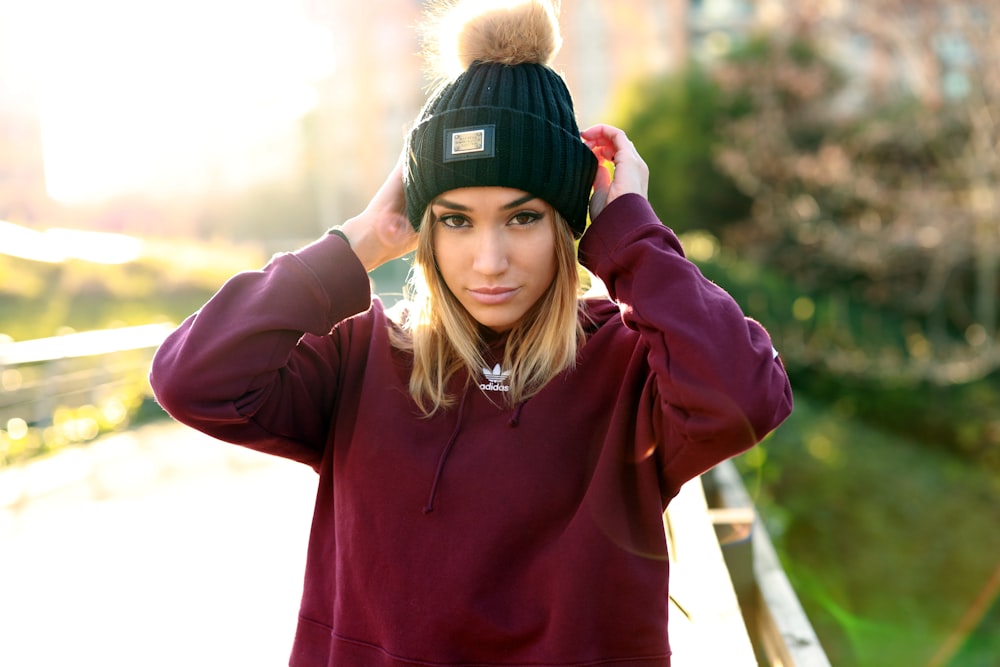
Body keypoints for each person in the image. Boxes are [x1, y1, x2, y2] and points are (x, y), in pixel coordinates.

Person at [150, 1, 793, 665]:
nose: (489, 260)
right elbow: (192, 377)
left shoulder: (631, 366)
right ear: (422, 227)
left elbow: (744, 397)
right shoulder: (360, 357)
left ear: (567, 226)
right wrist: (360, 240)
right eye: (456, 220)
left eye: (521, 219)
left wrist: (632, 233)